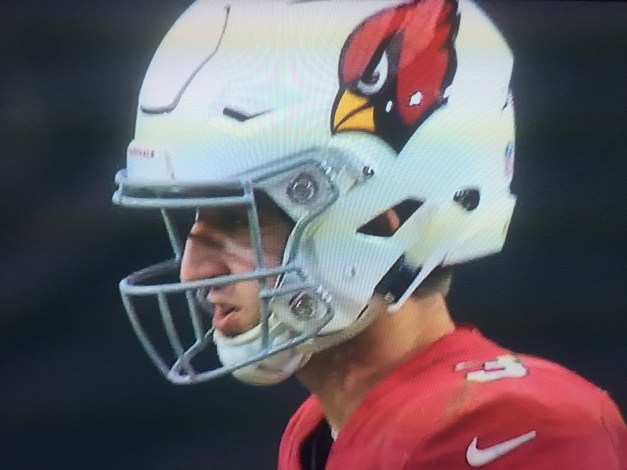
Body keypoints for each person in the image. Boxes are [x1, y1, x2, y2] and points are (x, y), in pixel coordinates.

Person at [113, 0, 626, 468]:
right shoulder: (320, 431)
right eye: (195, 219)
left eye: (237, 222)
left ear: (385, 217)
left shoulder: (516, 430)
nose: (194, 272)